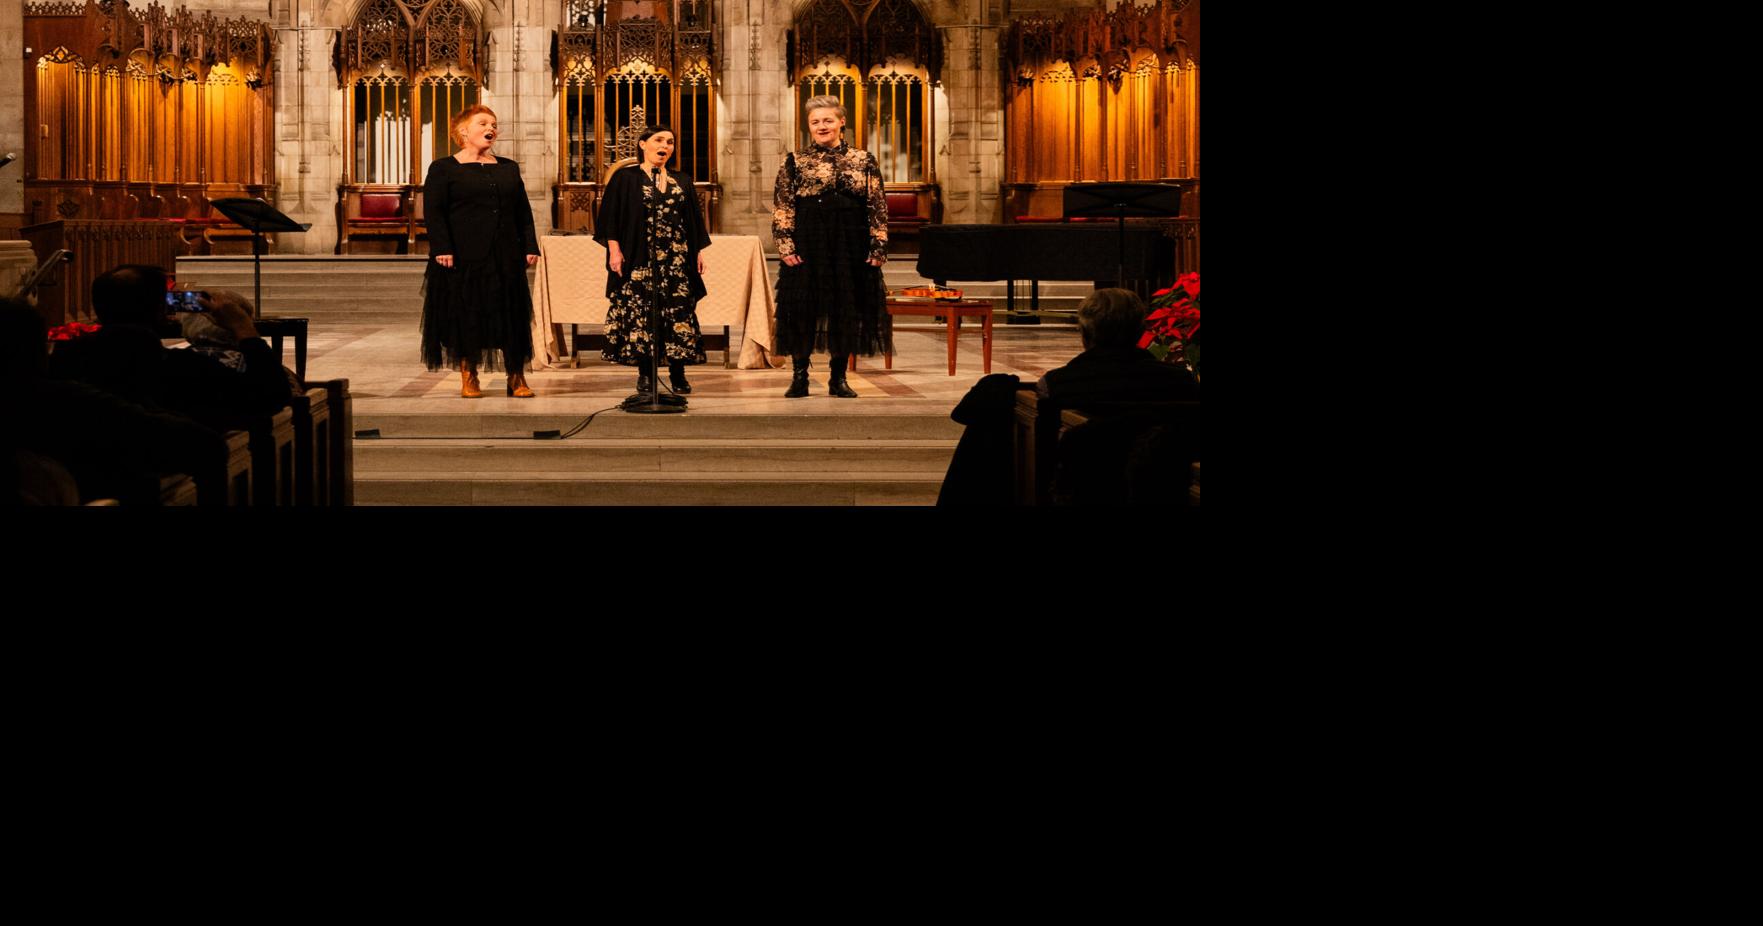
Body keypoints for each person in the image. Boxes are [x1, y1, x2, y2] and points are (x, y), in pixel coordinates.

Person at [771, 95, 892, 398]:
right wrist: (785, 245)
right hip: (808, 241)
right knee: (801, 309)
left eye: (827, 120)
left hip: (851, 242)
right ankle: (799, 377)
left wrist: (878, 245)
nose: (821, 126)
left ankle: (838, 378)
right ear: (808, 126)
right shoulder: (795, 160)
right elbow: (783, 205)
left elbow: (877, 204)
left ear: (841, 122)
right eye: (815, 122)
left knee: (845, 309)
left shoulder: (864, 160)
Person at [422, 104, 541, 398]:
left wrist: (529, 244)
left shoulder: (508, 167)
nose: (491, 128)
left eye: (494, 124)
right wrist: (442, 247)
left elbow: (522, 211)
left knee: (511, 315)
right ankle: (469, 374)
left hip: (505, 253)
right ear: (464, 131)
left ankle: (516, 376)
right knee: (468, 314)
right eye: (483, 123)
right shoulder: (443, 168)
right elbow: (434, 212)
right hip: (463, 255)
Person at [594, 124, 712, 395]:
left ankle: (678, 373)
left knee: (677, 313)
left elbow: (692, 220)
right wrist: (614, 250)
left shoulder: (681, 179)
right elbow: (610, 217)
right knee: (643, 314)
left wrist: (697, 252)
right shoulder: (626, 178)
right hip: (639, 257)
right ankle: (646, 374)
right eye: (659, 140)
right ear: (643, 144)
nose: (665, 146)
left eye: (670, 142)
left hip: (676, 260)